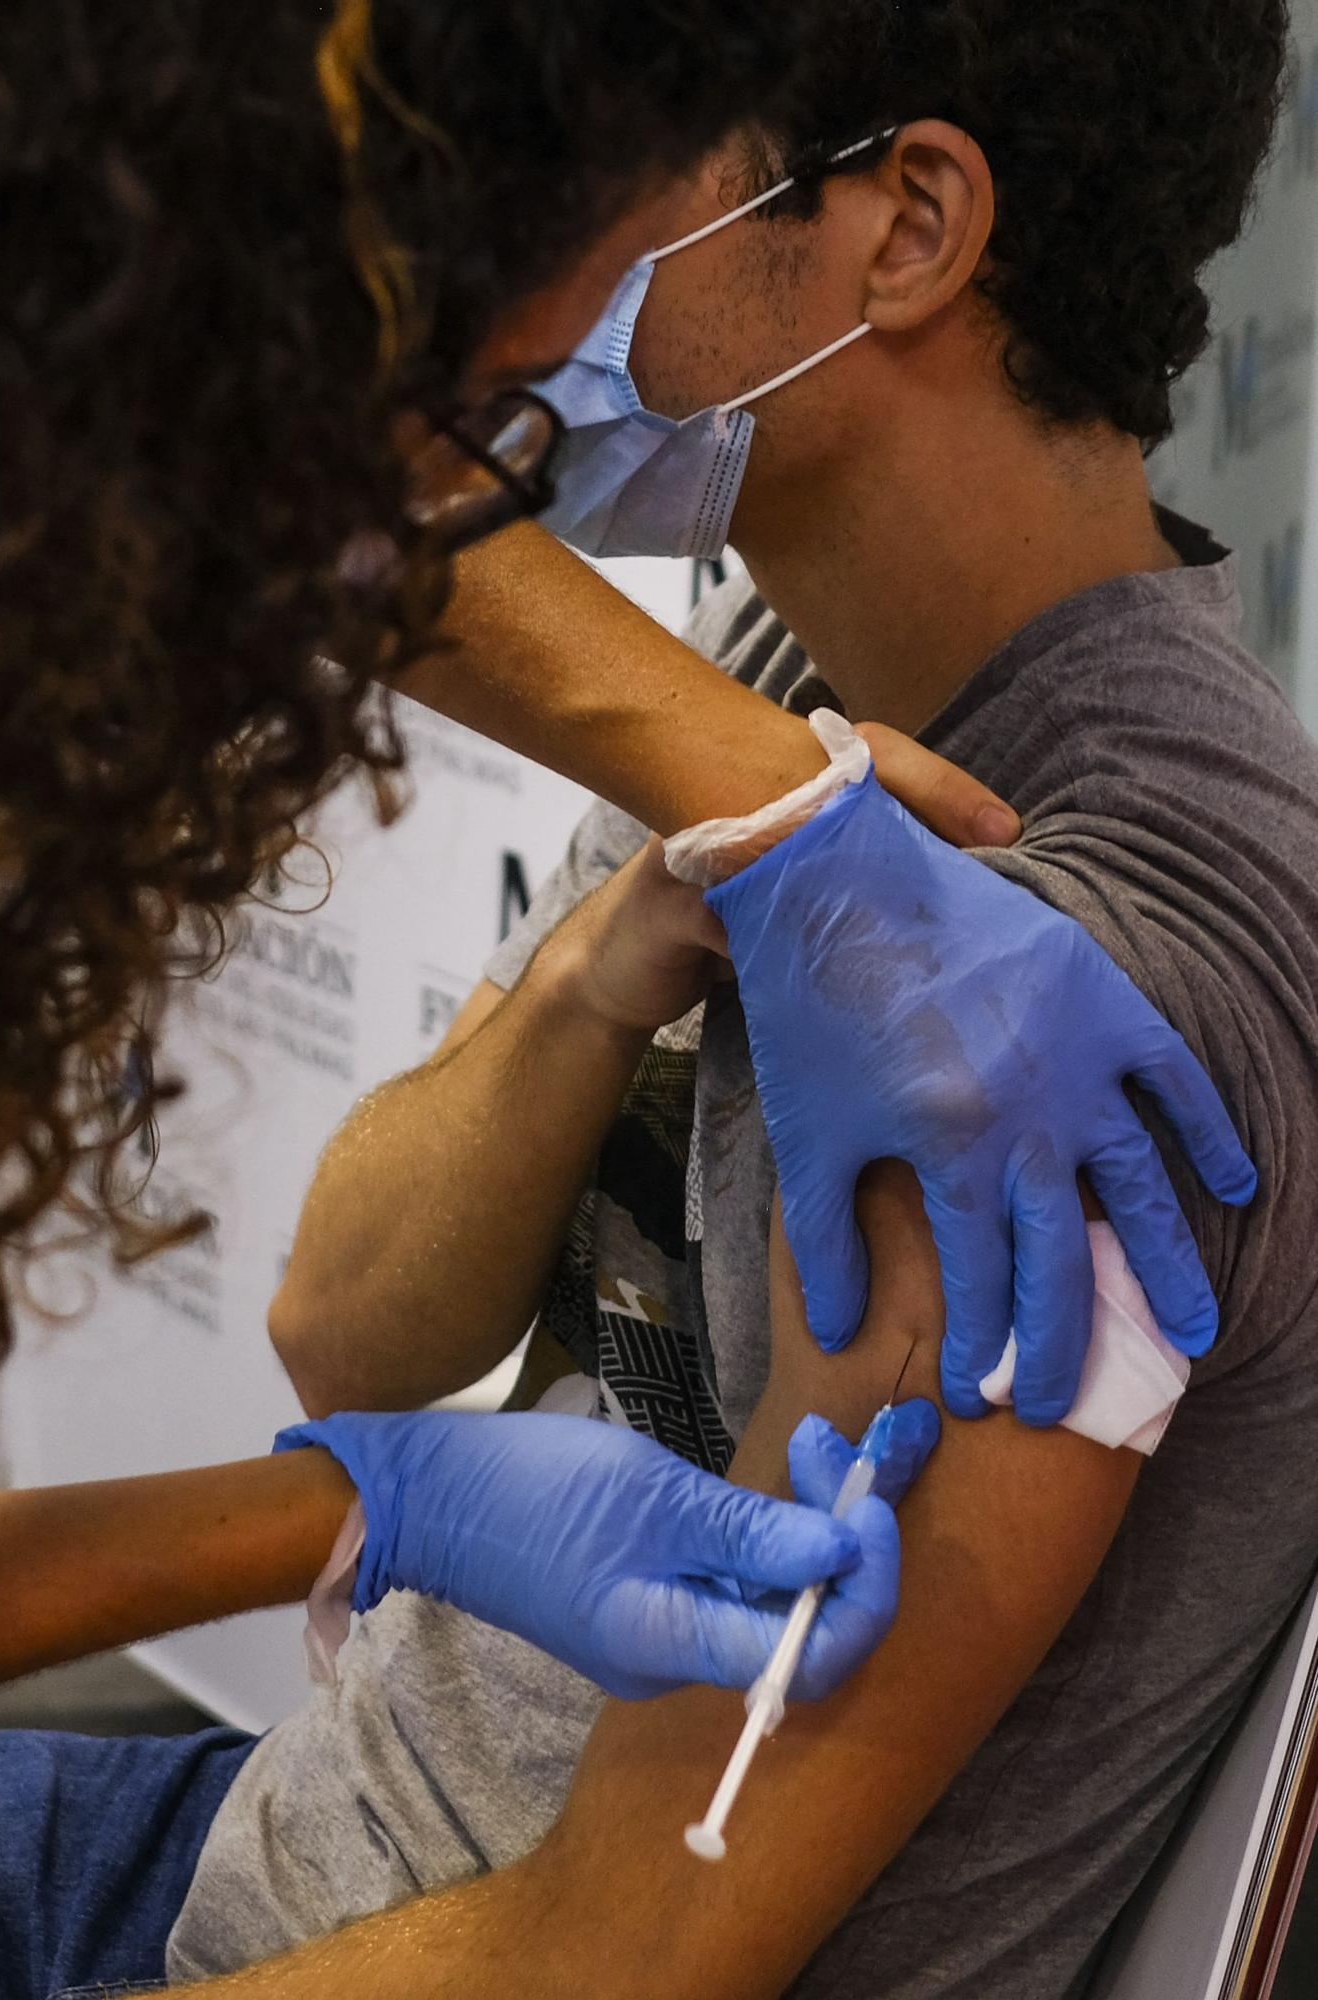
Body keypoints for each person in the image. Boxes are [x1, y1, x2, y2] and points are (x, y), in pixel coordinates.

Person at [141, 2, 1318, 1997]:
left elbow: (614, 1960)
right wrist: (601, 970)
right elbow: (342, 1320)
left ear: (908, 223)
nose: (464, 252)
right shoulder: (773, 689)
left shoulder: (1089, 995)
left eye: (581, 158)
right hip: (273, 1841)